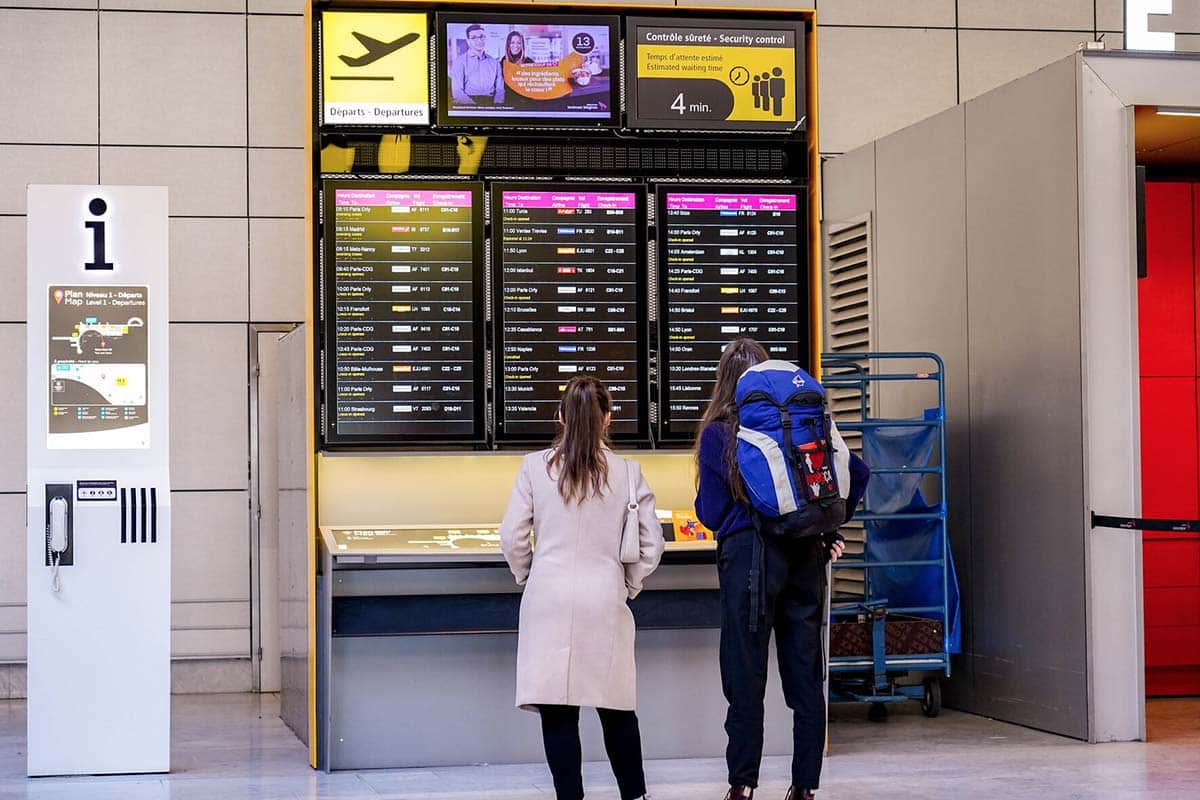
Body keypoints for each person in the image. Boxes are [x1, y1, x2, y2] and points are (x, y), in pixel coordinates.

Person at [694, 338, 853, 800]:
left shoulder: (719, 433)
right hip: (805, 554)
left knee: (745, 675)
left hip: (749, 561)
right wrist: (828, 530)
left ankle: (742, 785)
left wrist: (733, 520)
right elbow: (854, 473)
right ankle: (804, 787)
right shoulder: (800, 425)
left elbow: (709, 509)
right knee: (805, 675)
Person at [500, 375, 665, 800]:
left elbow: (512, 537)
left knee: (558, 711)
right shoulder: (628, 472)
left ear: (560, 417)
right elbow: (652, 543)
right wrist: (629, 584)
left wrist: (529, 575)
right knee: (616, 708)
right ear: (607, 419)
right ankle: (635, 795)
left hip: (547, 600)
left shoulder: (534, 468)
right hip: (605, 600)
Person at [448, 23, 505, 106]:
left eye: (482, 36)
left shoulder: (494, 62)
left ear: (485, 38)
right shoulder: (459, 62)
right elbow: (457, 92)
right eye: (474, 38)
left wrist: (496, 108)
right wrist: (475, 108)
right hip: (468, 104)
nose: (479, 41)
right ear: (468, 41)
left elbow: (500, 90)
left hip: (491, 104)